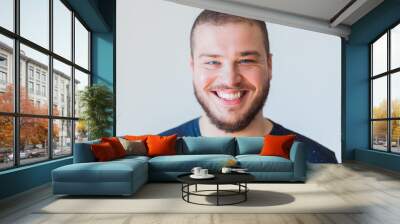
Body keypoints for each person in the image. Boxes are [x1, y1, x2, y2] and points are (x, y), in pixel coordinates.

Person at [160, 10, 337, 163]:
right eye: (213, 62)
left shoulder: (319, 162)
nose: (230, 80)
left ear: (269, 65)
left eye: (246, 61)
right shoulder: (155, 156)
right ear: (193, 68)